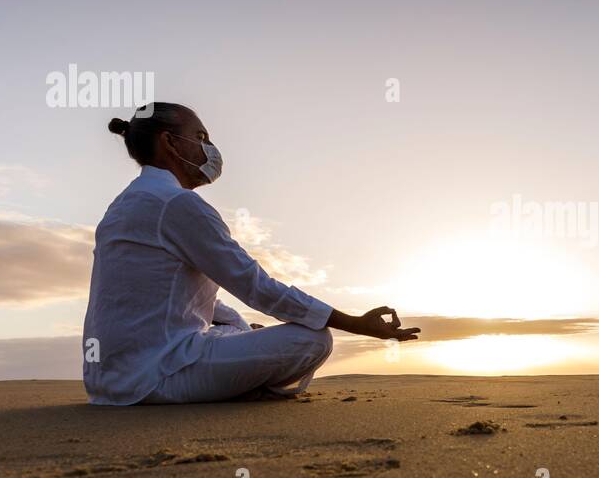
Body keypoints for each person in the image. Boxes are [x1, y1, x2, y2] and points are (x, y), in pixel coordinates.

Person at [82, 102, 418, 405]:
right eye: (200, 136)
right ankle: (246, 385)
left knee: (231, 320)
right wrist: (355, 323)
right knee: (313, 339)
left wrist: (242, 333)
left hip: (109, 382)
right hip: (157, 377)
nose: (209, 148)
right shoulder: (176, 204)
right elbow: (256, 287)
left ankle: (241, 360)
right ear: (170, 143)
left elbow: (166, 296)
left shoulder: (123, 206)